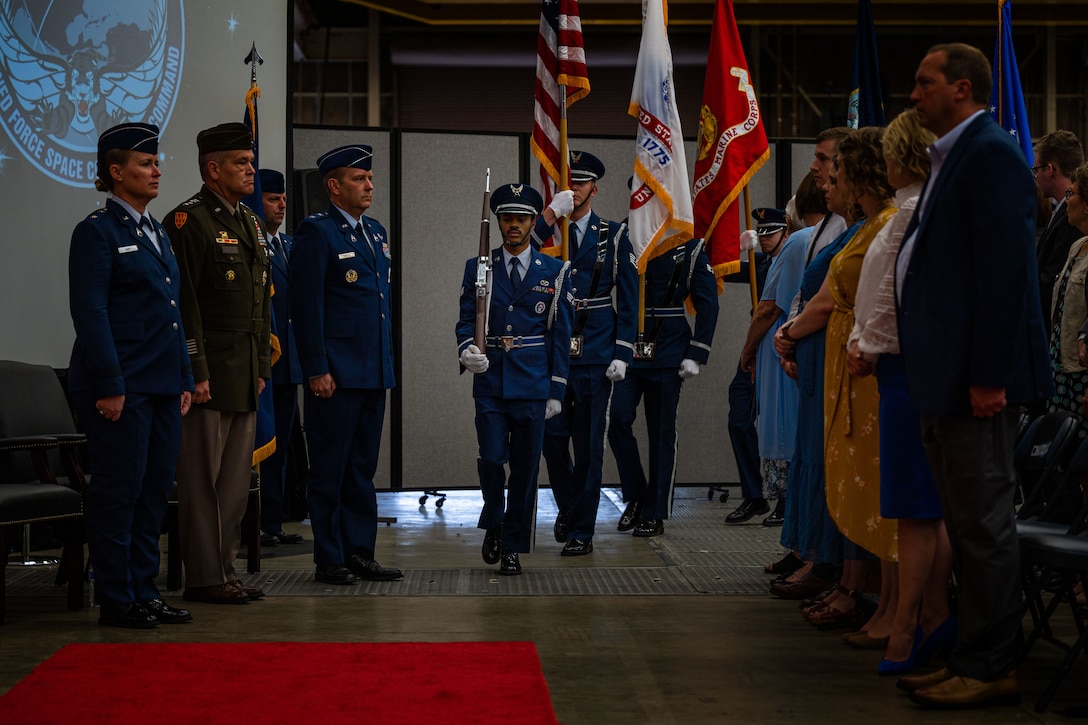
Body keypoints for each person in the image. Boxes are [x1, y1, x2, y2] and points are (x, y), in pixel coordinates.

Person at [896, 43, 1052, 708]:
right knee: (965, 523)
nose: (914, 94)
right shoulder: (953, 157)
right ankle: (969, 651)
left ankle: (992, 664)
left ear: (962, 88)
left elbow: (1005, 274)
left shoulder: (989, 155)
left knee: (984, 526)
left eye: (925, 82)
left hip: (976, 384)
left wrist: (989, 375)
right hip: (947, 378)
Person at [68, 122, 194, 628]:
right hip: (122, 386)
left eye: (156, 162)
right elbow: (90, 314)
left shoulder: (156, 230)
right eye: (146, 164)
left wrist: (184, 375)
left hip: (162, 383)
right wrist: (111, 385)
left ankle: (145, 590)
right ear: (116, 173)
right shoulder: (97, 231)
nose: (157, 170)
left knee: (152, 493)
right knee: (119, 491)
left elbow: (173, 312)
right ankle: (117, 597)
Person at [845, 110, 954, 671]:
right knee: (920, 509)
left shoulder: (913, 213)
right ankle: (930, 615)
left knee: (916, 510)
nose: (882, 160)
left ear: (903, 155)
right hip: (898, 368)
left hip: (904, 368)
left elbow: (892, 292)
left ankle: (914, 623)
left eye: (889, 150)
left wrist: (868, 343)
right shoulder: (908, 212)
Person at [166, 122, 271, 605]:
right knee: (201, 483)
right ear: (213, 169)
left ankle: (224, 572)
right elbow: (185, 304)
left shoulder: (248, 222)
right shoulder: (189, 221)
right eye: (240, 163)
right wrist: (196, 370)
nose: (251, 170)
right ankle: (204, 577)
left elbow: (259, 300)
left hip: (244, 371)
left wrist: (263, 366)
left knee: (232, 484)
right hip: (209, 374)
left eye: (250, 162)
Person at [290, 144, 402, 586]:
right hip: (334, 374)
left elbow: (378, 307)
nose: (370, 184)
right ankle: (329, 557)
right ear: (334, 187)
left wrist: (384, 366)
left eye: (370, 177)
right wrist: (316, 367)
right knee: (330, 470)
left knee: (361, 469)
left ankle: (360, 552)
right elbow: (306, 307)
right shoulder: (316, 233)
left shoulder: (375, 233)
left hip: (372, 371)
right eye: (359, 178)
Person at [457, 182, 574, 575]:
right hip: (490, 380)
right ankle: (495, 517)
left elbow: (561, 333)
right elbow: (464, 320)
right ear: (499, 221)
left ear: (531, 223)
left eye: (521, 219)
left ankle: (512, 544)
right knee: (492, 458)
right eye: (507, 217)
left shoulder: (555, 272)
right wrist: (465, 351)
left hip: (533, 382)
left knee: (525, 468)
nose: (513, 225)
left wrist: (557, 388)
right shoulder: (478, 266)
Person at [533, 151, 637, 555]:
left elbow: (628, 298)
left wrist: (623, 353)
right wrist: (546, 216)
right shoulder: (548, 231)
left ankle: (582, 531)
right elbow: (517, 250)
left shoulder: (613, 235)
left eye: (581, 182)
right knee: (552, 440)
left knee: (589, 445)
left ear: (595, 188)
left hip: (595, 352)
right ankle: (570, 505)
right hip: (552, 353)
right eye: (569, 182)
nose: (574, 189)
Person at [606, 236, 718, 537]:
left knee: (661, 432)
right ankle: (637, 493)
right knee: (616, 418)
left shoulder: (689, 246)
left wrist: (697, 351)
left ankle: (655, 510)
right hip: (630, 346)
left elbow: (708, 302)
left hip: (668, 347)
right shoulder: (626, 238)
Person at [256, 168, 305, 545]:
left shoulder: (289, 245)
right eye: (273, 199)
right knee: (256, 445)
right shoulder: (252, 244)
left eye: (283, 199)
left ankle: (271, 522)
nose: (282, 205)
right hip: (260, 364)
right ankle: (249, 523)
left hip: (287, 363)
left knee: (282, 449)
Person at [735, 208, 793, 527]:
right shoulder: (761, 263)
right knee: (740, 416)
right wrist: (734, 249)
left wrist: (750, 350)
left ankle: (785, 500)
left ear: (786, 232)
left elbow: (769, 310)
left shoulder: (790, 257)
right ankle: (755, 494)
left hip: (776, 349)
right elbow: (724, 268)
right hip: (760, 350)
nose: (766, 239)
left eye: (772, 233)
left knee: (782, 422)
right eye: (763, 233)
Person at [1033, 131, 1085, 331]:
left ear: (1050, 169)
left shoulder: (1073, 219)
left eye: (1037, 169)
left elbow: (1051, 284)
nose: (1036, 176)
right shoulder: (1060, 211)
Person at [1049, 164, 1088, 431]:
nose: (1066, 200)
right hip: (1060, 369)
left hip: (1082, 375)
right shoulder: (1077, 245)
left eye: (1072, 194)